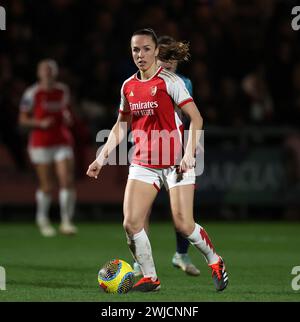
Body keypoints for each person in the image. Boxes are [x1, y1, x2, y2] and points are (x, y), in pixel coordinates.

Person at [87, 28, 228, 292]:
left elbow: (196, 118)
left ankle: (215, 260)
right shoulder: (128, 86)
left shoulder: (170, 82)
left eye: (146, 49)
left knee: (183, 224)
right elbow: (121, 124)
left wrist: (188, 153)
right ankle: (151, 277)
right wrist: (102, 157)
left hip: (176, 162)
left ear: (155, 51)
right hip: (143, 162)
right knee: (131, 223)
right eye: (135, 50)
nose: (140, 55)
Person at [132, 35, 200, 277]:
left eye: (173, 58)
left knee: (181, 211)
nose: (169, 63)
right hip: (147, 150)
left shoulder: (183, 82)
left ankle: (181, 254)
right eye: (164, 58)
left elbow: (189, 117)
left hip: (176, 151)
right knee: (141, 210)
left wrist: (190, 149)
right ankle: (141, 261)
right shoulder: (139, 82)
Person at [19, 59, 77, 237]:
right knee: (47, 184)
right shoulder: (32, 93)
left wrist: (67, 116)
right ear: (39, 73)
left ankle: (66, 221)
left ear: (55, 72)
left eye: (51, 70)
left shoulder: (62, 90)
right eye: (44, 70)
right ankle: (42, 218)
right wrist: (39, 123)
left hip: (61, 140)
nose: (48, 73)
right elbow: (22, 119)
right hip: (40, 142)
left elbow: (66, 110)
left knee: (66, 179)